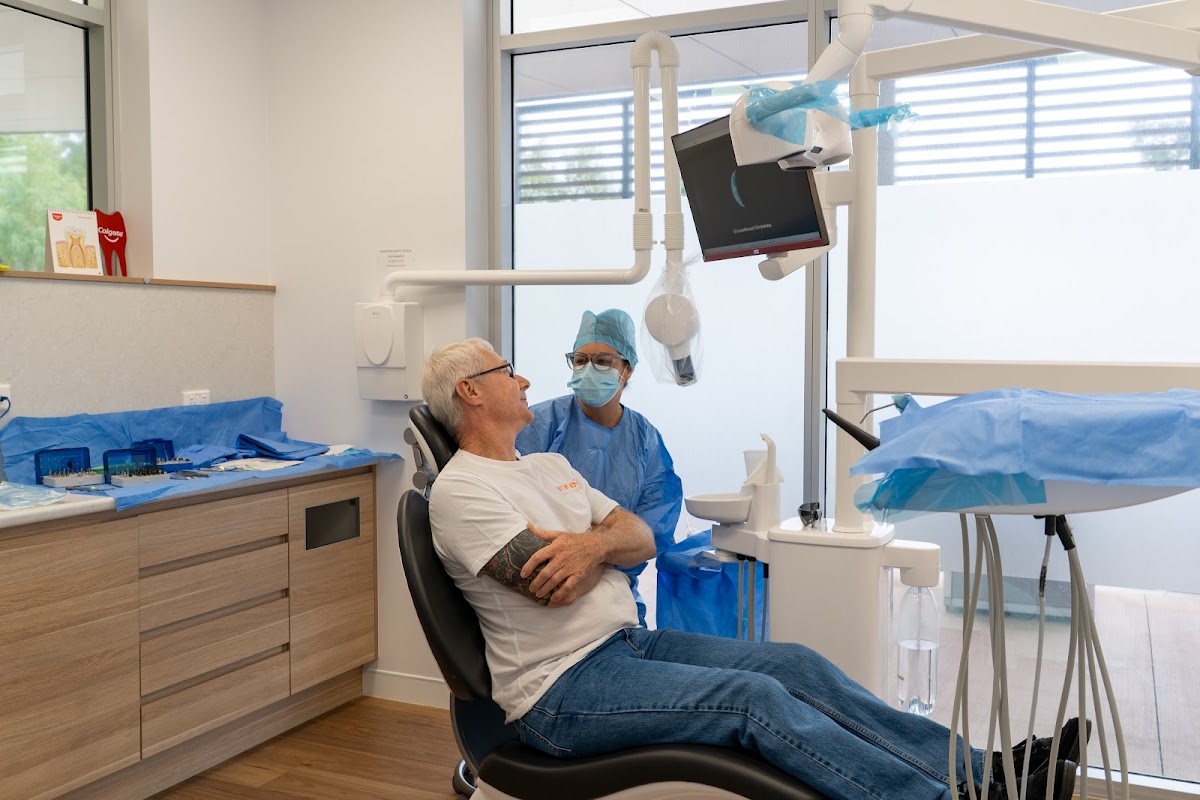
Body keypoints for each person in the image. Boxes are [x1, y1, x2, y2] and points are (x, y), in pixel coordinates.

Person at [422, 337, 1082, 800]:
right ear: (470, 391)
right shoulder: (462, 490)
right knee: (754, 701)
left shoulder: (549, 466)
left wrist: (591, 548)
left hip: (626, 643)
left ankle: (984, 773)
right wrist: (600, 546)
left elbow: (640, 536)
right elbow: (550, 585)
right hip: (559, 690)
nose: (526, 381)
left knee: (794, 665)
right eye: (508, 371)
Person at [515, 308, 682, 627]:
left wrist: (596, 554)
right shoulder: (541, 424)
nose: (589, 369)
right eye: (580, 360)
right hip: (549, 586)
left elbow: (651, 533)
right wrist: (609, 542)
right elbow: (519, 510)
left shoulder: (644, 439)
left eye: (603, 361)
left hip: (616, 594)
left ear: (627, 370)